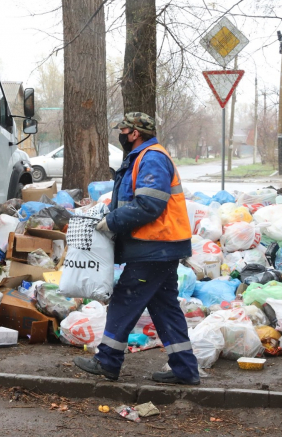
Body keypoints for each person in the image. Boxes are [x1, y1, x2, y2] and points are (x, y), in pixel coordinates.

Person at [73, 112, 200, 385]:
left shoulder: (152, 158)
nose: (119, 134)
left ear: (134, 133)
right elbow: (134, 199)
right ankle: (185, 369)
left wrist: (112, 222)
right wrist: (106, 213)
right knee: (165, 307)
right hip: (160, 247)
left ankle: (107, 361)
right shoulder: (142, 157)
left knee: (124, 299)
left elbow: (148, 206)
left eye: (122, 130)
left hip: (154, 247)